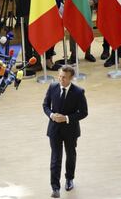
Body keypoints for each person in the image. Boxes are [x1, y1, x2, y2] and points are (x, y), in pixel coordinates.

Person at [42, 65, 88, 198]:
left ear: (71, 78)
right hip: (54, 129)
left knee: (70, 155)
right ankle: (55, 187)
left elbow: (84, 112)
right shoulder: (52, 87)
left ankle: (69, 179)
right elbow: (45, 105)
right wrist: (51, 115)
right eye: (60, 76)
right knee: (56, 158)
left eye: (64, 77)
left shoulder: (79, 92)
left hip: (71, 130)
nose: (61, 79)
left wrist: (67, 118)